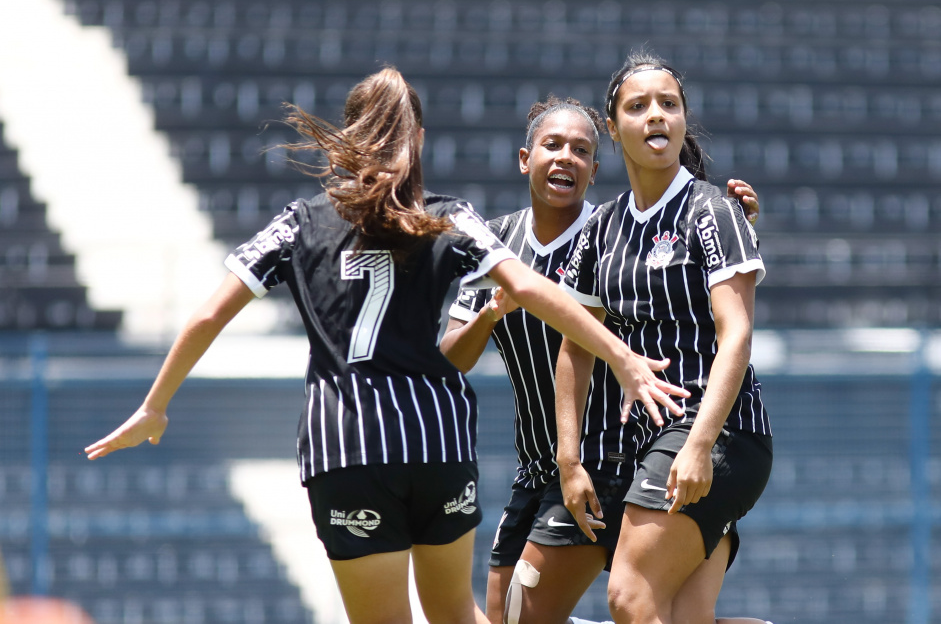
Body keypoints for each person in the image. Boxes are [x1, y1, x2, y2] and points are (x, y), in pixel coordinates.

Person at [83, 67, 690, 624]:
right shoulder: (449, 217)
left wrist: (154, 405)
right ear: (419, 138)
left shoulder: (300, 222)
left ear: (350, 137)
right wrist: (624, 357)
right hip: (436, 442)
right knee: (458, 614)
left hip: (346, 447)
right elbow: (534, 289)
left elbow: (206, 317)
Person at [442, 96, 768, 624]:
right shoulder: (494, 244)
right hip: (542, 464)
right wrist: (489, 315)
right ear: (525, 159)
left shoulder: (613, 233)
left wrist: (738, 225)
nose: (565, 157)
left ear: (595, 169)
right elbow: (453, 357)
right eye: (553, 145)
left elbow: (693, 296)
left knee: (617, 604)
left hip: (620, 460)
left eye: (580, 150)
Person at [556, 53, 773, 624]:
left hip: (719, 434)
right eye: (638, 106)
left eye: (668, 104)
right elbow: (576, 347)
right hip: (647, 445)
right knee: (678, 617)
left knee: (629, 596)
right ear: (612, 127)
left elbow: (738, 335)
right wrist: (569, 458)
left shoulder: (713, 210)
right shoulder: (601, 228)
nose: (656, 116)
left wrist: (701, 443)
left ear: (683, 118)